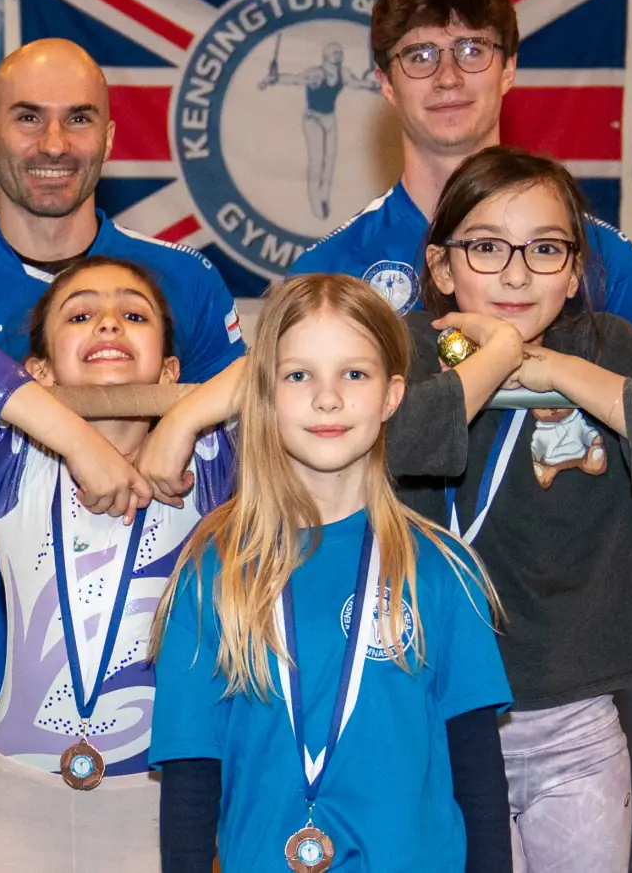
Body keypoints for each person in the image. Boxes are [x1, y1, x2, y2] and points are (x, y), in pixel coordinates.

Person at [387, 146, 632, 871]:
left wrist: (566, 374)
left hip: (575, 720)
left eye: (545, 248)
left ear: (576, 269)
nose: (516, 272)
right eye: (486, 247)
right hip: (436, 715)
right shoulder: (409, 347)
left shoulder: (606, 344)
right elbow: (403, 443)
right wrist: (501, 354)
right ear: (442, 267)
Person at [0, 37, 246, 705]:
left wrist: (184, 419)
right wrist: (76, 437)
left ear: (110, 137)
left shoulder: (186, 280)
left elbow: (263, 403)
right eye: (28, 117)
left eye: (79, 118)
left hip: (165, 677)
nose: (54, 142)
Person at [141, 273, 512, 872]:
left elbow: (480, 784)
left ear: (392, 397)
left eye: (355, 374)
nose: (328, 397)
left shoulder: (443, 571)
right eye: (299, 375)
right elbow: (190, 782)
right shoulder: (212, 573)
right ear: (263, 394)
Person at [0, 256, 237, 872]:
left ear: (171, 369)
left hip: (158, 806)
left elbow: (284, 356)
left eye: (134, 314)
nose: (110, 325)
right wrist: (77, 440)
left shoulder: (210, 457)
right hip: (16, 807)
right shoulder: (17, 454)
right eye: (82, 314)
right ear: (37, 372)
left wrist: (186, 417)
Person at [290, 0, 632, 336]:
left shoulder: (603, 258)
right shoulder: (328, 270)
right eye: (420, 56)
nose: (448, 77)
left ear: (508, 68)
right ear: (386, 83)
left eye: (471, 50)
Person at [260, 40, 380, 220]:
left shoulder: (343, 73)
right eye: (335, 53)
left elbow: (357, 84)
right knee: (317, 161)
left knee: (330, 160)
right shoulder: (316, 74)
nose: (339, 56)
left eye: (340, 53)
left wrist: (374, 86)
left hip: (330, 119)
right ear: (326, 56)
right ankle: (316, 205)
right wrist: (274, 79)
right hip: (313, 119)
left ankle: (323, 198)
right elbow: (295, 79)